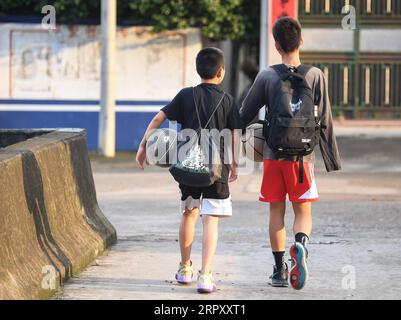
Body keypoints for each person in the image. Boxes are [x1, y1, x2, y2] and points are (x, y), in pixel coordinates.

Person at [240, 17, 341, 290]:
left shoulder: (266, 75)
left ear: (276, 44)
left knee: (276, 210)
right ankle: (301, 245)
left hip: (273, 155)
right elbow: (326, 120)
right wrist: (331, 158)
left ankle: (278, 270)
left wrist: (229, 136)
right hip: (303, 158)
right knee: (303, 210)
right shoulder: (315, 75)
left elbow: (245, 114)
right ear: (301, 41)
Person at [136, 47, 242, 294]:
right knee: (210, 220)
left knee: (189, 213)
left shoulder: (185, 95)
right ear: (221, 72)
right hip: (216, 169)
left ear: (198, 70)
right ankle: (205, 275)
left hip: (188, 165)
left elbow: (157, 119)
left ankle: (185, 269)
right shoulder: (227, 101)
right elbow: (236, 135)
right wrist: (234, 163)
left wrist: (144, 146)